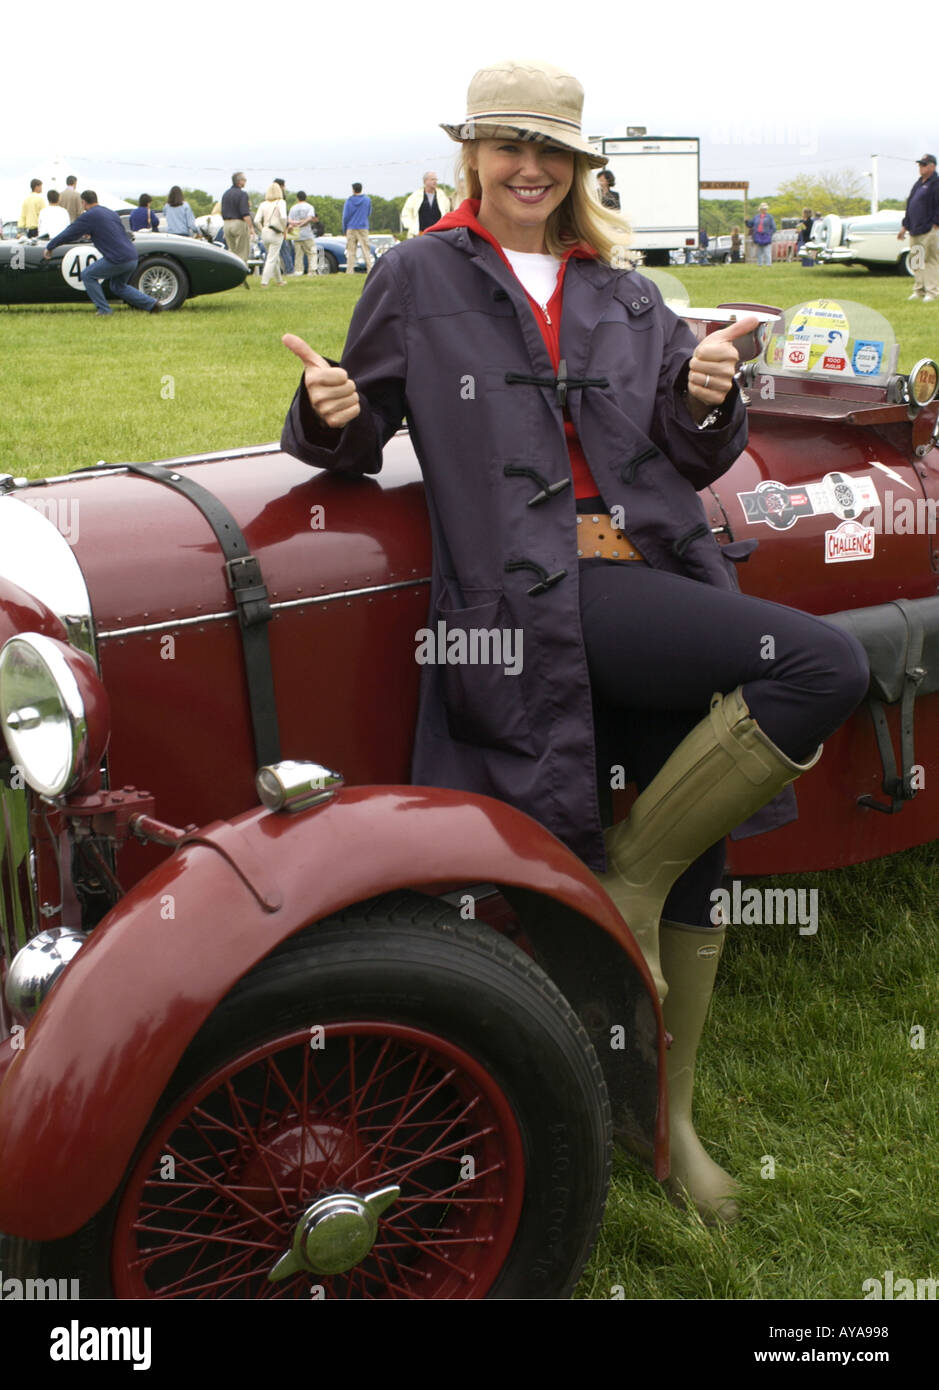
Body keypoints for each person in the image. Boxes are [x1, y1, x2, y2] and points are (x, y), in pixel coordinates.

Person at [279, 58, 868, 1226]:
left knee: (697, 841)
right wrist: (332, 412)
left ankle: (669, 1121)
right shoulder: (417, 276)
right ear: (475, 155)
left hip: (650, 569)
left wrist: (703, 394)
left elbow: (687, 455)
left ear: (582, 166)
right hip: (532, 599)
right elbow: (359, 433)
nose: (532, 168)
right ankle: (622, 885)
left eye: (553, 152)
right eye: (510, 146)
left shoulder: (627, 294)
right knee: (822, 662)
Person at [42, 189, 161, 315]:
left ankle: (104, 310)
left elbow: (70, 233)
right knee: (118, 287)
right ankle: (152, 304)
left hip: (117, 258)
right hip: (131, 256)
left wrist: (50, 246)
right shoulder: (110, 213)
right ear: (96, 200)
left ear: (83, 202)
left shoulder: (89, 216)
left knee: (88, 275)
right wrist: (93, 233)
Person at [901, 154, 939, 302]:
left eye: (924, 165)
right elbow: (910, 205)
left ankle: (932, 291)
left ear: (932, 166)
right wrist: (905, 226)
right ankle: (919, 290)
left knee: (930, 259)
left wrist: (935, 224)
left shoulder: (936, 183)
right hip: (915, 229)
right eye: (920, 165)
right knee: (916, 260)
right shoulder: (918, 184)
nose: (921, 168)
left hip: (930, 229)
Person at [254, 181, 288, 286]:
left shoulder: (263, 204)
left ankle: (279, 280)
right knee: (272, 258)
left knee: (274, 257)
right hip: (276, 232)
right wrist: (283, 228)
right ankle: (264, 281)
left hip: (265, 232)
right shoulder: (281, 202)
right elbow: (283, 217)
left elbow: (256, 220)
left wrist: (262, 228)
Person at [400, 172, 452, 236]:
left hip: (438, 234)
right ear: (425, 181)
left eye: (436, 180)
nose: (435, 182)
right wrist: (413, 229)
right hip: (420, 234)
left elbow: (448, 214)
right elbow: (406, 215)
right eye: (432, 179)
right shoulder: (414, 197)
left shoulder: (443, 197)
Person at [221, 172, 253, 266]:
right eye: (244, 180)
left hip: (226, 224)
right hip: (238, 223)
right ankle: (240, 278)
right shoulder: (242, 194)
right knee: (242, 252)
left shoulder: (225, 194)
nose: (245, 182)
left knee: (232, 252)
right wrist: (251, 228)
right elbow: (245, 213)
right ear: (239, 181)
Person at [342, 181, 373, 274]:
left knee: (351, 251)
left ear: (353, 190)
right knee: (365, 249)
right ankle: (370, 269)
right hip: (363, 227)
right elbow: (369, 212)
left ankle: (350, 270)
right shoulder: (367, 200)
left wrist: (344, 228)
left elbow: (345, 216)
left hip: (351, 227)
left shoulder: (349, 201)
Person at [288, 191, 319, 275]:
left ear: (297, 198)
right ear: (306, 197)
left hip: (296, 234)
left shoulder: (293, 208)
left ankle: (298, 271)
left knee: (298, 255)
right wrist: (301, 223)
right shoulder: (309, 207)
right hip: (307, 233)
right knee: (312, 253)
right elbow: (309, 218)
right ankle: (312, 271)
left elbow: (289, 220)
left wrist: (295, 223)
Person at [746, 201, 776, 266]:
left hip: (766, 235)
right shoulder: (756, 217)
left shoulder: (770, 217)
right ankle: (760, 264)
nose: (764, 210)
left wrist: (769, 234)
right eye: (763, 209)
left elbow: (773, 227)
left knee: (767, 250)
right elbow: (750, 225)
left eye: (765, 209)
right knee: (759, 251)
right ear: (760, 209)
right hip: (758, 235)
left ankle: (768, 264)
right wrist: (747, 221)